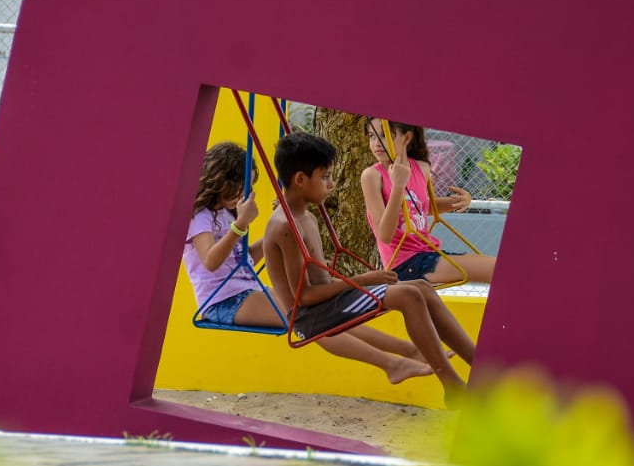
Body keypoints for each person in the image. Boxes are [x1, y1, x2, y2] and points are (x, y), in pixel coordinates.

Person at [184, 141, 435, 386]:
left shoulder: (226, 214)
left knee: (327, 313)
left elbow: (244, 258)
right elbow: (211, 262)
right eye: (239, 186)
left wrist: (276, 225)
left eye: (247, 187)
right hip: (222, 302)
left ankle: (409, 351)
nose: (242, 193)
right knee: (305, 320)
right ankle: (393, 364)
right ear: (219, 180)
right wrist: (240, 226)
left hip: (247, 292)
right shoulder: (200, 216)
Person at [264, 131, 475, 390]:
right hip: (310, 317)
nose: (331, 184)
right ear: (299, 179)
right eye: (325, 176)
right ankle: (454, 387)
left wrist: (361, 282)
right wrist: (364, 280)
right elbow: (304, 297)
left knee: (421, 287)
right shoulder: (287, 225)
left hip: (327, 302)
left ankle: (478, 363)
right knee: (408, 295)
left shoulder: (305, 217)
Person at [360, 117, 497, 285]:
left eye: (385, 135)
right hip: (404, 264)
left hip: (427, 252)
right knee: (494, 268)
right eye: (372, 136)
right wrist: (398, 186)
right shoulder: (372, 176)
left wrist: (459, 202)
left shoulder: (421, 168)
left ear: (407, 138)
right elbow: (385, 235)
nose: (376, 143)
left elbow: (419, 208)